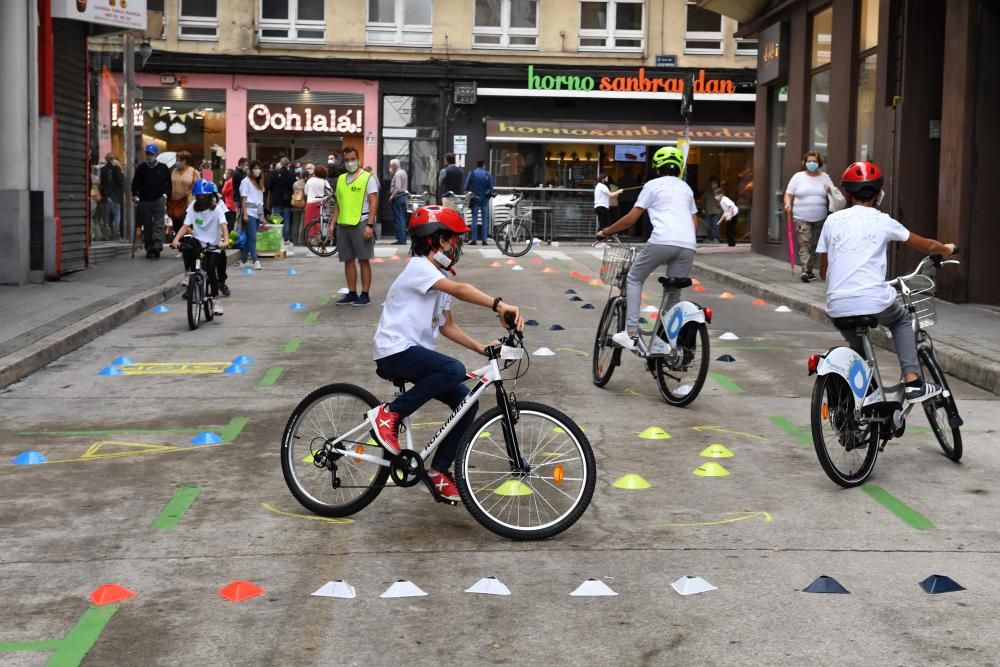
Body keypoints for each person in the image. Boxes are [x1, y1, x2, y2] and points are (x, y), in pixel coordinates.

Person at [367, 205, 524, 501]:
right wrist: (499, 305)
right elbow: (462, 289)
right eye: (453, 238)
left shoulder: (436, 275)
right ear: (436, 240)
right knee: (452, 369)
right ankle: (389, 415)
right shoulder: (419, 268)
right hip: (395, 350)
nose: (456, 245)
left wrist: (482, 348)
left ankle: (439, 471)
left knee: (467, 402)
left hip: (415, 353)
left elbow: (446, 325)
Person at [817, 160, 955, 402]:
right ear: (879, 194)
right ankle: (913, 382)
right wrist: (947, 249)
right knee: (901, 321)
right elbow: (928, 245)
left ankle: (862, 400)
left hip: (837, 303)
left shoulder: (832, 221)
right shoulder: (883, 221)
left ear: (847, 194)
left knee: (858, 347)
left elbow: (823, 270)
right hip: (873, 299)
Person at [595, 146, 696, 351]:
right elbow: (693, 222)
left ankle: (631, 333)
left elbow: (631, 219)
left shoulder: (652, 185)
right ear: (679, 169)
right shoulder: (686, 188)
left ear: (656, 168)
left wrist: (606, 231)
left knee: (634, 278)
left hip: (662, 240)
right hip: (688, 244)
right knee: (673, 292)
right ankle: (664, 343)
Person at [170, 179, 229, 316]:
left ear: (209, 197)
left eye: (203, 196)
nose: (200, 199)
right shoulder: (192, 207)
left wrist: (225, 241)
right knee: (186, 245)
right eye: (198, 196)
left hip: (213, 244)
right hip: (198, 242)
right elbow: (185, 226)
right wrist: (176, 239)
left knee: (210, 270)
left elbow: (224, 226)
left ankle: (215, 300)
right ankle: (190, 274)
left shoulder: (217, 209)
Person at [331, 147, 379, 306]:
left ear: (358, 159)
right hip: (343, 224)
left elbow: (373, 202)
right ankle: (352, 293)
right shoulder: (341, 179)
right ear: (343, 161)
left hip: (361, 222)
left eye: (352, 159)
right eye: (346, 160)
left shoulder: (368, 178)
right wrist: (332, 224)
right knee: (348, 260)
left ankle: (365, 294)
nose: (350, 162)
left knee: (363, 260)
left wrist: (370, 225)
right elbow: (338, 204)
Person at [785, 150, 835, 283]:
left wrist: (829, 190)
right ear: (804, 162)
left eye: (814, 161)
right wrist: (788, 203)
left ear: (819, 163)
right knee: (805, 242)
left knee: (815, 245)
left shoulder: (825, 177)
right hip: (801, 217)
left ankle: (810, 270)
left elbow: (834, 192)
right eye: (809, 161)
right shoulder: (798, 177)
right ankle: (805, 270)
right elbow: (788, 194)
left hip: (820, 218)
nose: (811, 163)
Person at [131, 144, 171, 259]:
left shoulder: (163, 168)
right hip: (144, 200)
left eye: (151, 154)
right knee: (147, 225)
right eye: (148, 154)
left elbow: (168, 184)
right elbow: (135, 183)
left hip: (159, 199)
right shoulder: (141, 168)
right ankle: (149, 248)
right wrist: (135, 194)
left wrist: (165, 195)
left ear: (156, 155)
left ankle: (157, 246)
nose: (149, 156)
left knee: (159, 223)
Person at [267, 157, 297, 256]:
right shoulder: (292, 175)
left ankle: (276, 238)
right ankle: (286, 239)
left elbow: (268, 186)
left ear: (280, 163)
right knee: (287, 220)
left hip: (276, 201)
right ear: (288, 164)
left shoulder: (274, 173)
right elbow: (294, 187)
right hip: (287, 201)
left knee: (276, 221)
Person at [239, 160, 266, 270]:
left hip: (257, 212)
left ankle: (243, 260)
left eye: (258, 168)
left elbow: (260, 201)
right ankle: (256, 261)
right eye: (255, 168)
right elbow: (244, 199)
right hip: (249, 212)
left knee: (250, 238)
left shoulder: (259, 183)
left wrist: (262, 217)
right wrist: (245, 214)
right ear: (250, 170)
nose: (257, 170)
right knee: (253, 238)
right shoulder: (246, 181)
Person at [168, 150, 199, 243]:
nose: (176, 162)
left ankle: (188, 245)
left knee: (185, 224)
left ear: (184, 161)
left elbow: (198, 187)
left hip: (188, 202)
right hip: (174, 203)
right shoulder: (174, 171)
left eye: (178, 160)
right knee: (176, 224)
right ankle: (180, 246)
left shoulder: (193, 172)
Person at [465, 160, 494, 245]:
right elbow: (491, 188)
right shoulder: (488, 174)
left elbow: (466, 186)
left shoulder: (472, 173)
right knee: (484, 219)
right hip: (485, 199)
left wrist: (468, 194)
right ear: (484, 165)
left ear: (477, 165)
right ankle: (484, 240)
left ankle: (474, 239)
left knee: (474, 218)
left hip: (475, 198)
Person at [99, 153, 124, 239]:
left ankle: (107, 235)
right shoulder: (116, 168)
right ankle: (116, 235)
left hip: (106, 196)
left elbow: (101, 184)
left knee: (106, 218)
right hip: (115, 196)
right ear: (113, 160)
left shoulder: (102, 170)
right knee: (117, 216)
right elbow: (120, 180)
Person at [388, 158, 409, 245]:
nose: (390, 168)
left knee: (398, 219)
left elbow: (398, 188)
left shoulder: (397, 174)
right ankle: (403, 238)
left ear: (394, 166)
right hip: (403, 197)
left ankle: (401, 239)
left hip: (398, 197)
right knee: (402, 218)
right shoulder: (403, 172)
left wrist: (391, 197)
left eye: (391, 166)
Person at [701, 178, 722, 243]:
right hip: (708, 211)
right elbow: (702, 200)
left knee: (715, 225)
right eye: (712, 183)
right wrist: (703, 208)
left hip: (717, 211)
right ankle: (710, 238)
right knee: (709, 225)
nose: (713, 184)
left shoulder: (720, 191)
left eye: (715, 183)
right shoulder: (707, 192)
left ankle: (716, 238)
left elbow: (722, 200)